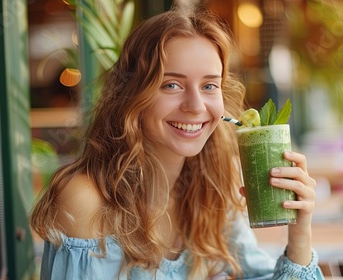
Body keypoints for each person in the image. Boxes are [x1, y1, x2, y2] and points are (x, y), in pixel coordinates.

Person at [30, 5, 325, 280]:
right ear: (132, 95)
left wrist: (300, 233)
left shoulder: (216, 184)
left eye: (209, 85)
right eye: (172, 85)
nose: (196, 106)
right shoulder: (88, 200)